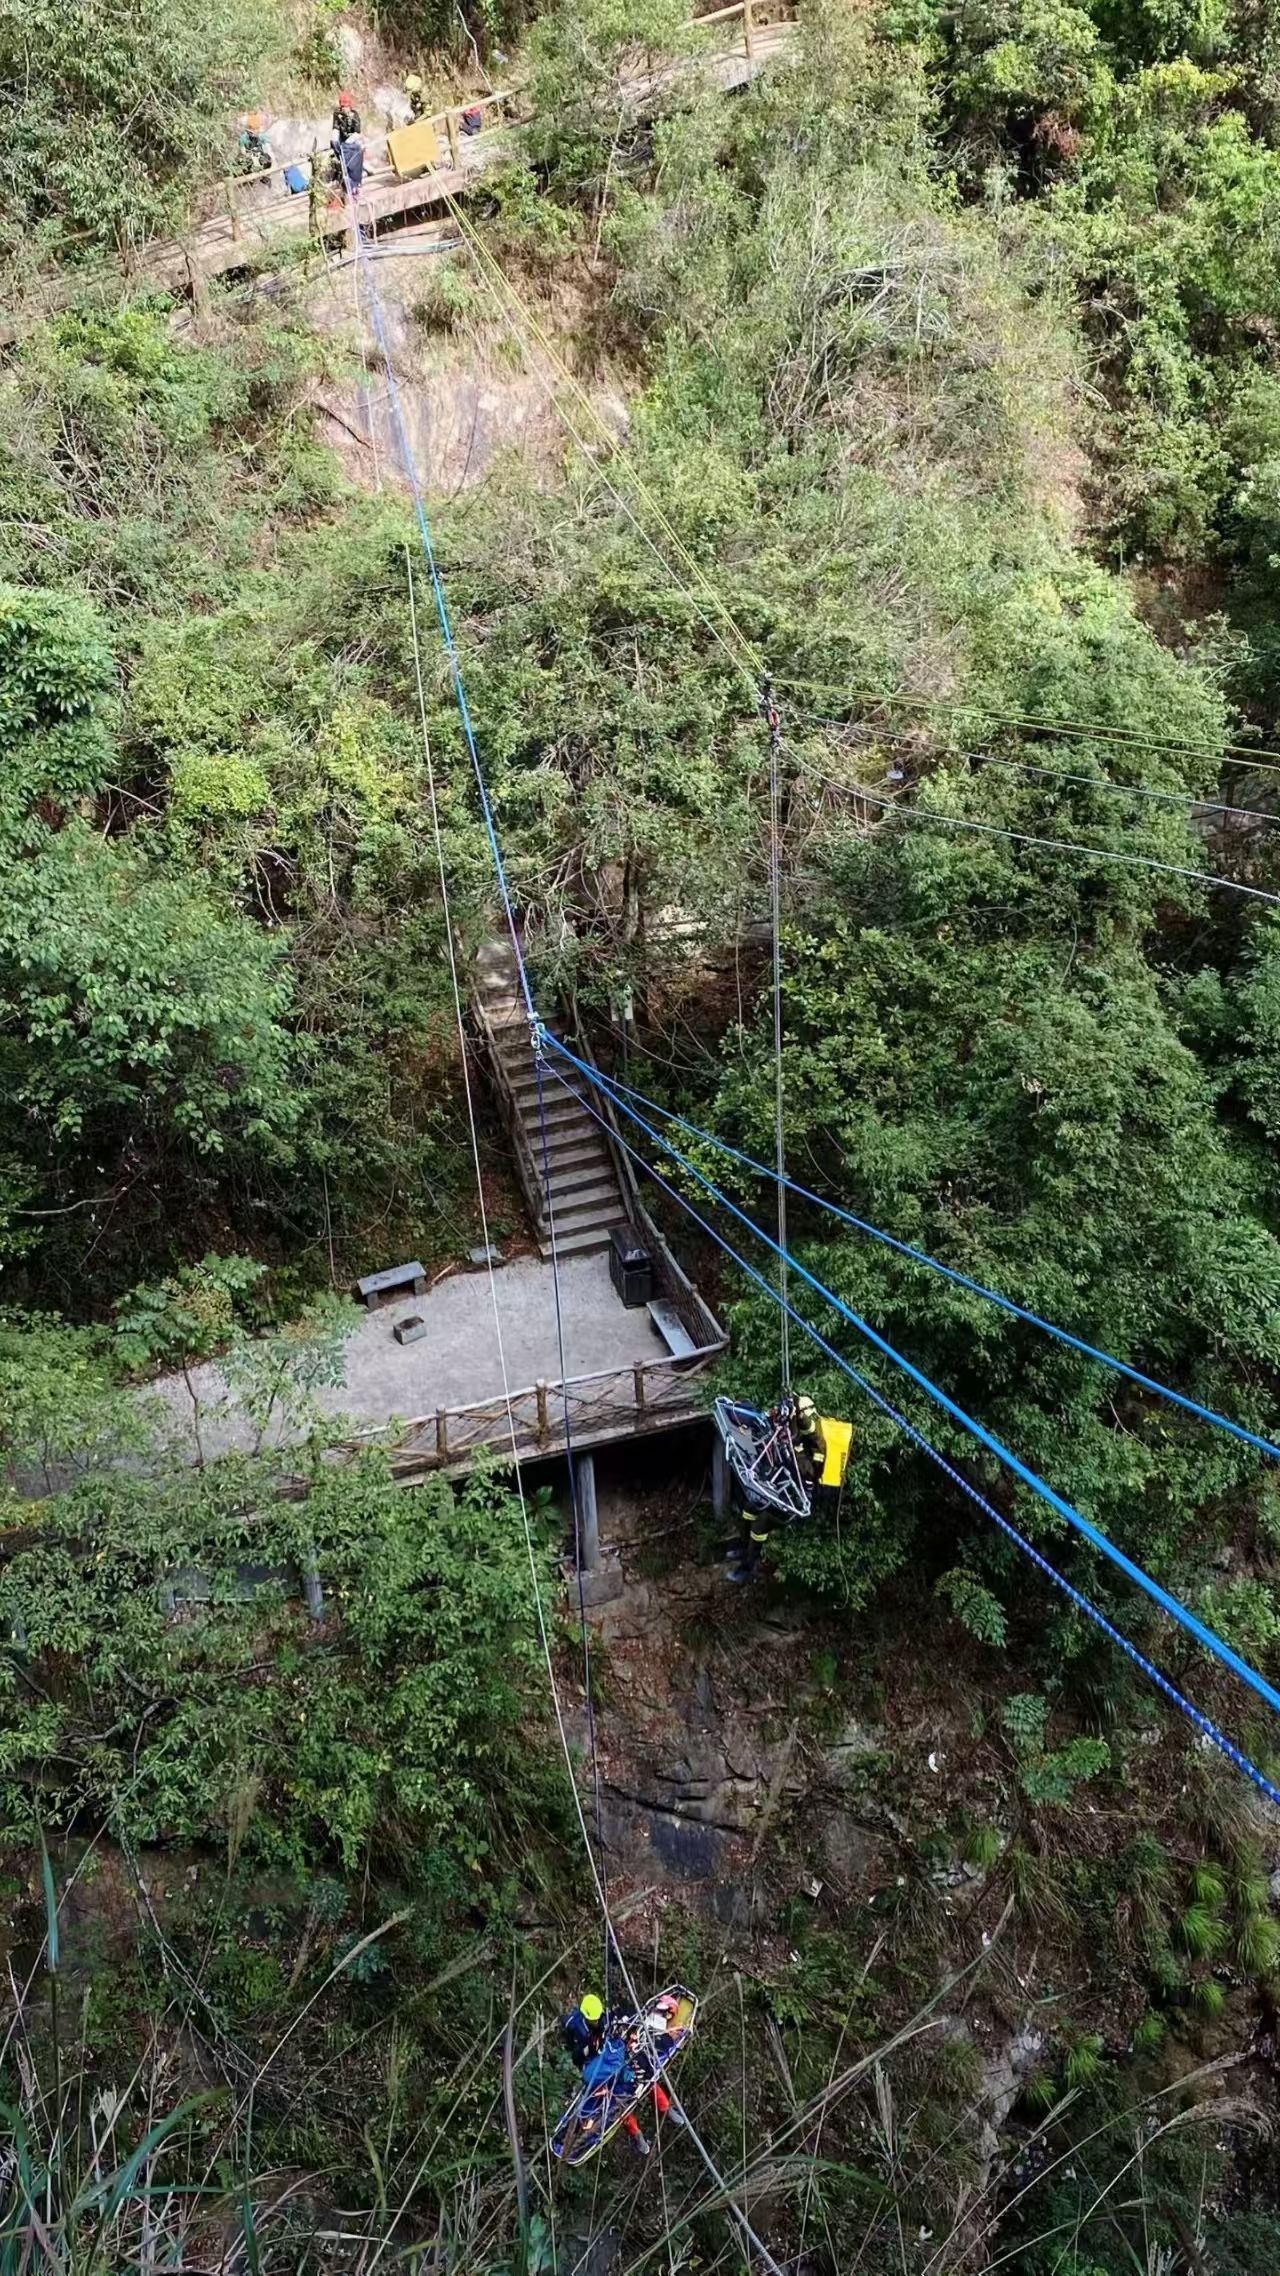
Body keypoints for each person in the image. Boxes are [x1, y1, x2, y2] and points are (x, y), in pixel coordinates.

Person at [560, 1992, 608, 2073]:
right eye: (594, 2020)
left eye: (597, 2018)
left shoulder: (600, 2017)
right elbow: (576, 2055)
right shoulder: (578, 2029)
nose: (596, 2022)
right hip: (583, 2049)